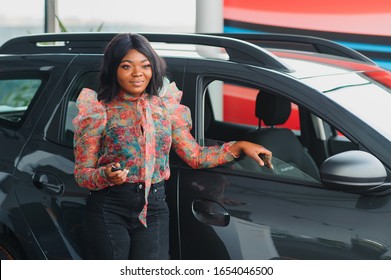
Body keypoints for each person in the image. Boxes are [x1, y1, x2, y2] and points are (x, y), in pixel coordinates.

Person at [73, 33, 273, 260]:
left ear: (153, 69)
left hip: (155, 208)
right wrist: (106, 175)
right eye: (127, 66)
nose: (138, 73)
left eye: (145, 66)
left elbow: (194, 156)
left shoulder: (166, 108)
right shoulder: (98, 112)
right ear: (113, 69)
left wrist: (239, 146)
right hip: (109, 208)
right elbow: (82, 175)